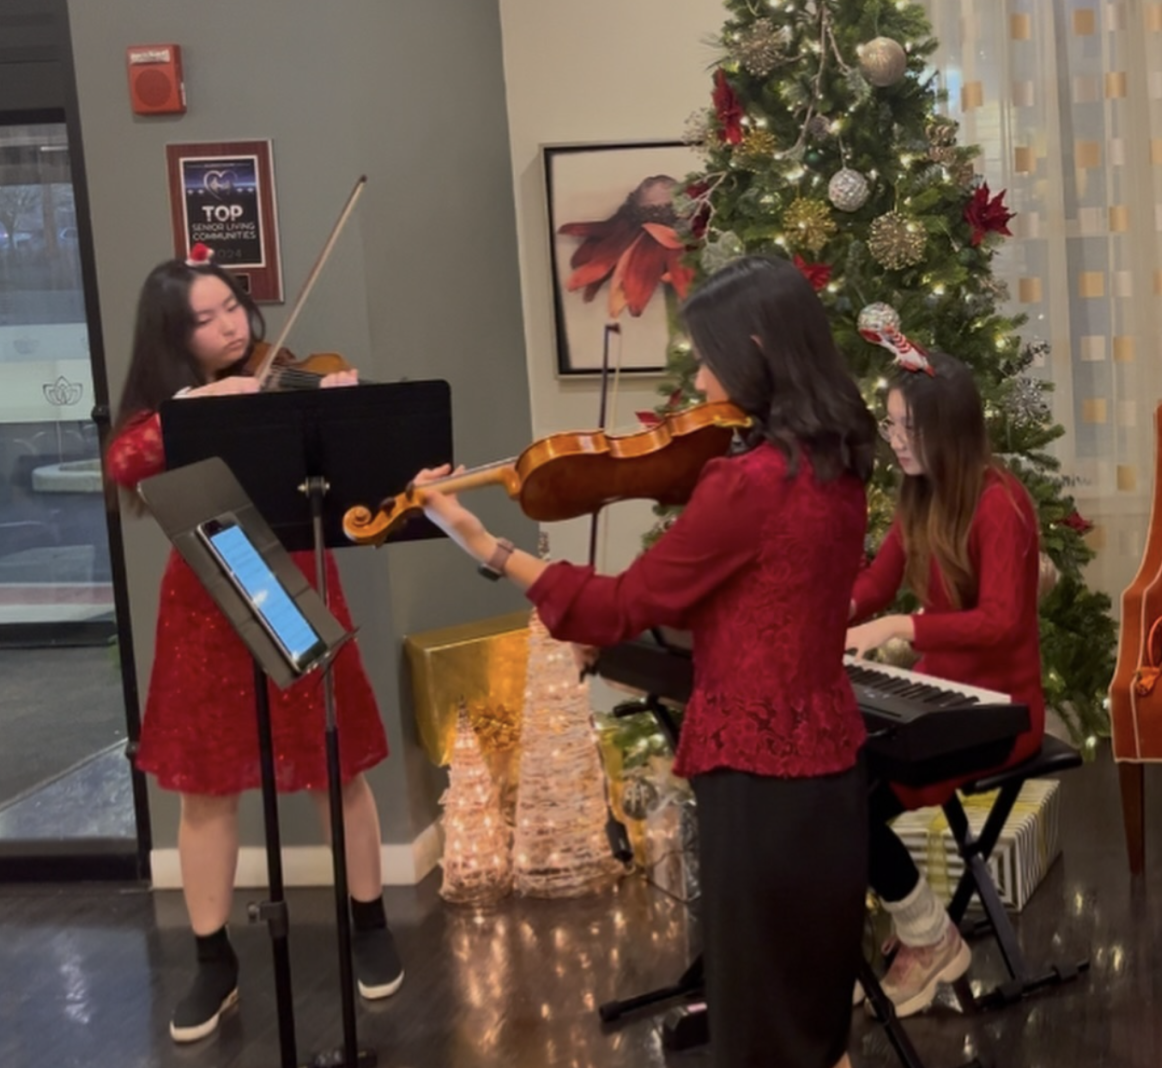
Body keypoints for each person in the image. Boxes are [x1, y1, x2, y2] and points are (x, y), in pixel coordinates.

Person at [415, 255, 877, 1068]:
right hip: (828, 766)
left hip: (755, 778)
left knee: (759, 1019)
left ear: (757, 349)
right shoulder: (840, 468)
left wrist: (483, 544)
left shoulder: (748, 484)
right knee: (810, 1009)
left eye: (706, 357)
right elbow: (762, 593)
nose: (698, 379)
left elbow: (619, 605)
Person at [105, 248, 403, 1044]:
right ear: (174, 338)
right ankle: (213, 961)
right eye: (204, 320)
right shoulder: (170, 407)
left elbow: (366, 458)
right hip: (207, 589)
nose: (229, 325)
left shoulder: (286, 380)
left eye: (231, 305)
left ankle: (369, 924)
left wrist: (340, 404)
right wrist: (202, 407)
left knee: (334, 765)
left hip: (289, 575)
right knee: (204, 785)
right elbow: (125, 461)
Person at [846, 349, 1046, 1018]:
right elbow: (873, 584)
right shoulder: (918, 495)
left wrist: (903, 624)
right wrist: (815, 615)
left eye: (910, 429)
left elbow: (999, 623)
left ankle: (926, 938)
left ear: (951, 431)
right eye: (891, 425)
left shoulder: (1000, 505)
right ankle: (917, 933)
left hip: (1002, 713)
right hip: (941, 696)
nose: (896, 441)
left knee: (853, 796)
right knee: (834, 778)